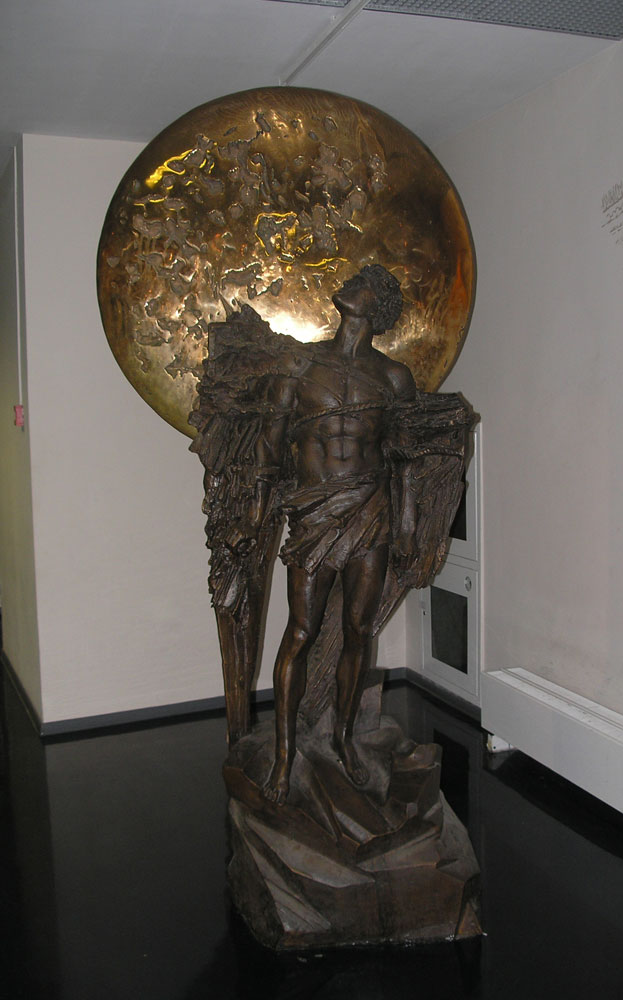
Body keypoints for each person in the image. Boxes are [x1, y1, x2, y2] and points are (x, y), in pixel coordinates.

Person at [248, 265, 418, 804]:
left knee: (357, 630)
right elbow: (269, 446)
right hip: (315, 512)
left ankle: (343, 738)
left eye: (363, 279)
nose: (350, 282)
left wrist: (407, 522)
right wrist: (258, 510)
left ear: (377, 305)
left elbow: (406, 457)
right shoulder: (300, 365)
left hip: (370, 510)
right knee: (300, 630)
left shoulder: (393, 378)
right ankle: (284, 755)